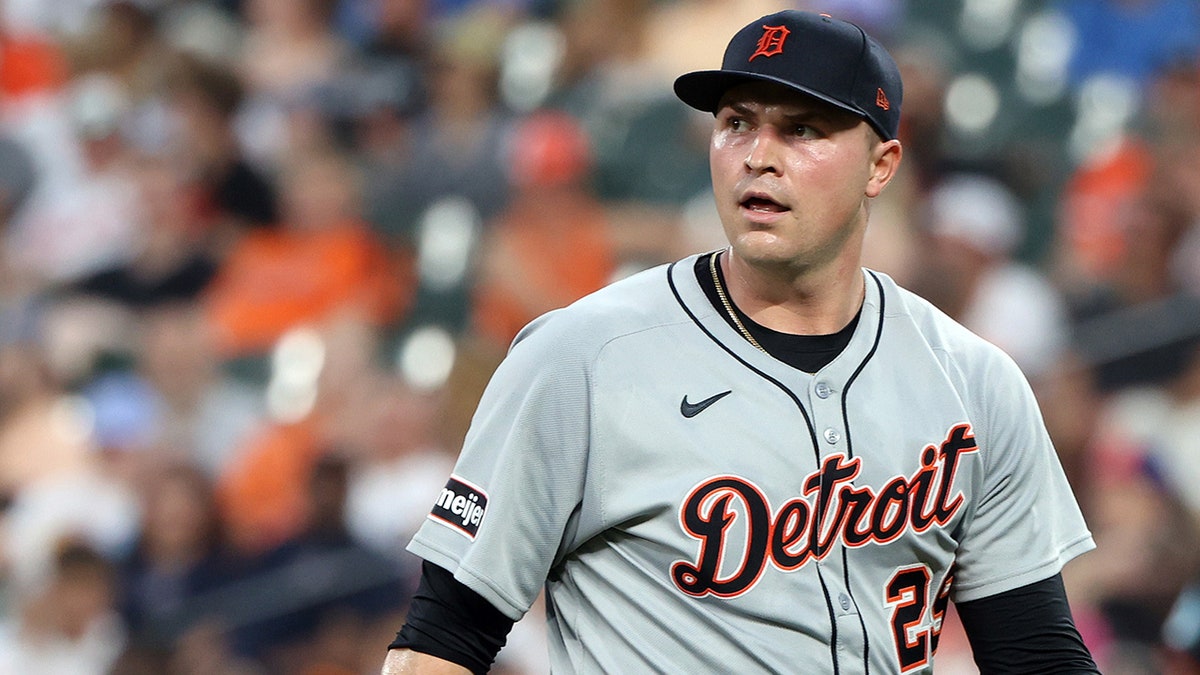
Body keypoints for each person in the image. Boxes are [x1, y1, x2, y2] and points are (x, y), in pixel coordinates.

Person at [381, 10, 1099, 674]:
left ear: (881, 166)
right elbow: (444, 635)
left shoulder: (976, 381)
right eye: (736, 124)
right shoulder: (581, 358)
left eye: (803, 130)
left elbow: (1033, 650)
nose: (759, 155)